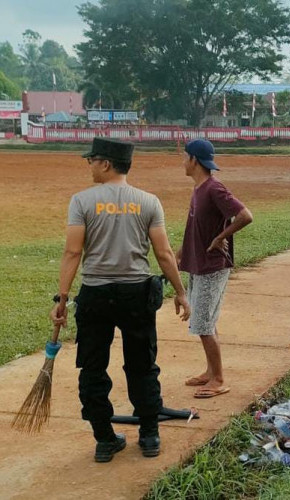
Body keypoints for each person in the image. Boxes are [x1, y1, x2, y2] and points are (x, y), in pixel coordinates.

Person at [50, 137, 191, 463]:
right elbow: (164, 253)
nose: (89, 165)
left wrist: (62, 298)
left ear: (106, 163)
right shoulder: (148, 202)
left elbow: (73, 252)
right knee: (143, 365)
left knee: (92, 367)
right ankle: (150, 436)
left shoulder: (82, 202)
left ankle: (104, 439)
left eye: (92, 160)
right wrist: (181, 293)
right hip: (136, 294)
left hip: (96, 295)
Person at [178, 139, 253, 398]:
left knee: (202, 323)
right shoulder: (198, 189)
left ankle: (219, 379)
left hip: (212, 266)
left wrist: (222, 237)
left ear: (194, 161)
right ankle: (210, 371)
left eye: (185, 156)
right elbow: (193, 226)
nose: (183, 161)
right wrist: (181, 253)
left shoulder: (213, 188)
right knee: (206, 320)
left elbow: (245, 215)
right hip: (198, 264)